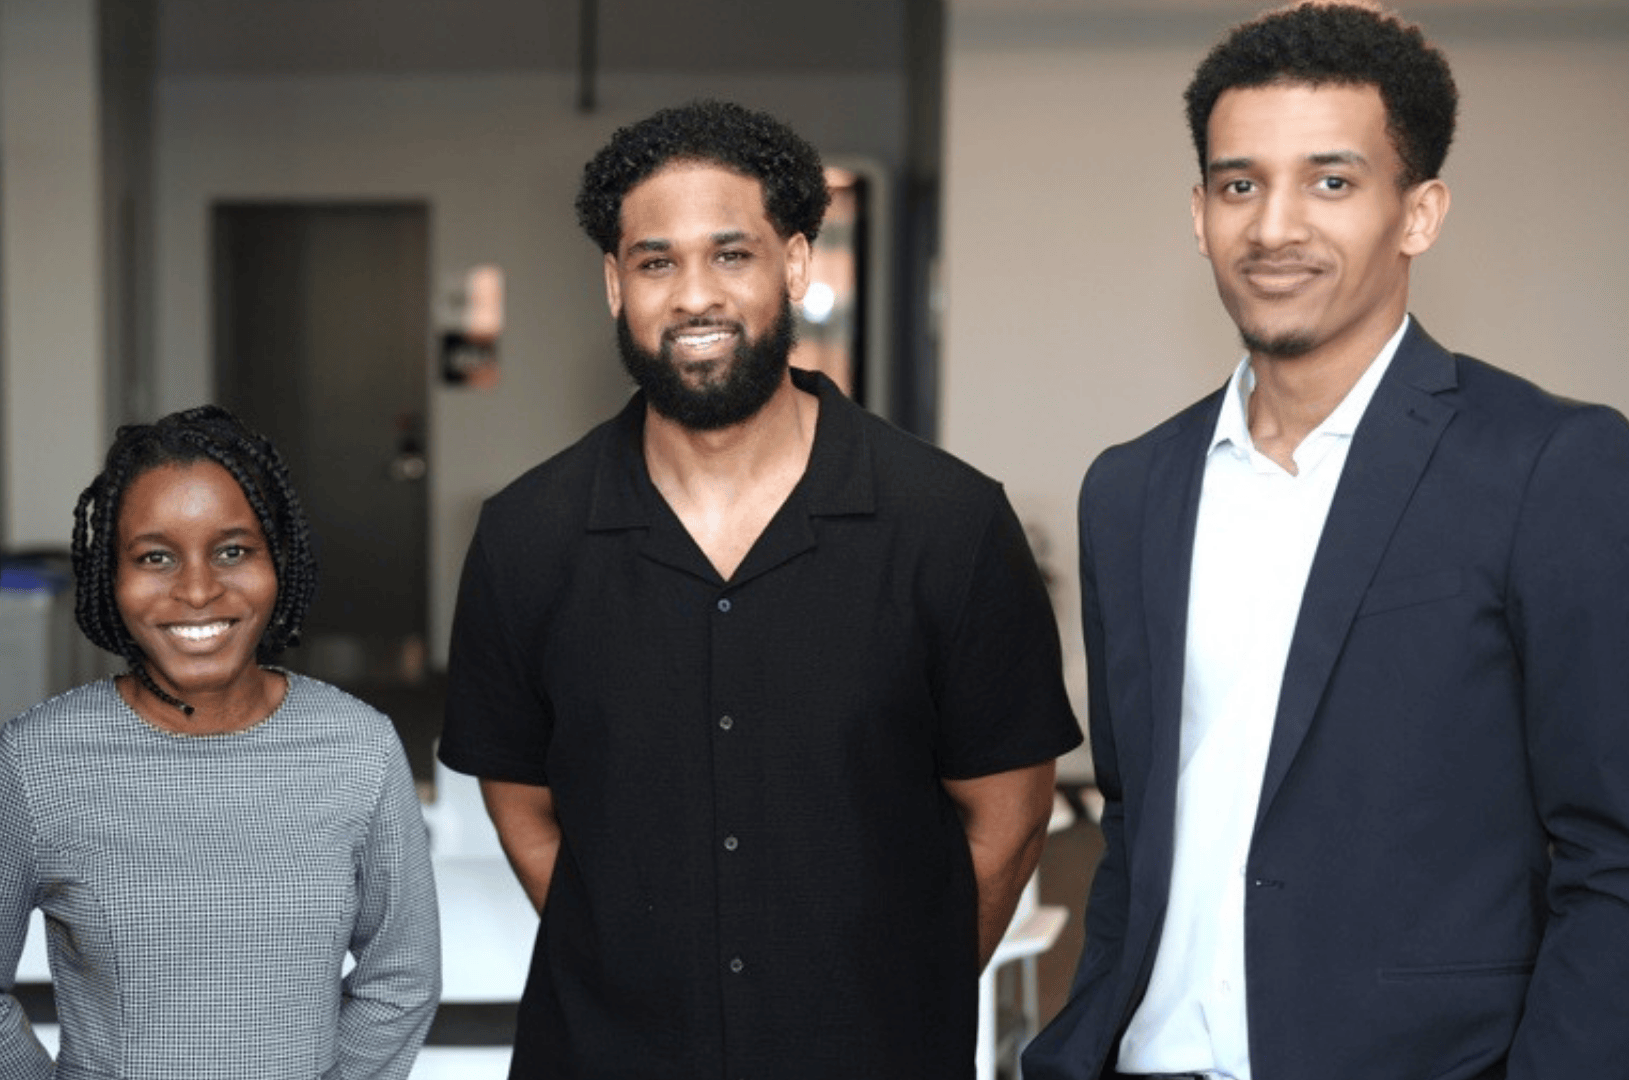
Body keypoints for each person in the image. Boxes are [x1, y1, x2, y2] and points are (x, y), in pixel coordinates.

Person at [1022, 4, 1629, 1078]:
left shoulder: (1549, 466)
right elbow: (1137, 827)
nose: (1274, 227)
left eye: (1332, 181)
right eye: (1239, 183)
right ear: (1198, 213)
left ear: (1420, 213)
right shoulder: (1131, 490)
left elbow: (1611, 854)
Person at [438, 99, 1082, 1077]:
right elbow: (521, 803)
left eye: (730, 255)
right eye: (656, 262)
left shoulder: (946, 524)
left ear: (795, 262)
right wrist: (638, 971)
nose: (694, 295)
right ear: (615, 284)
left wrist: (895, 990)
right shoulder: (529, 536)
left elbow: (1011, 813)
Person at [0, 405, 439, 1080]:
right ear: (113, 575)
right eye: (155, 557)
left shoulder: (359, 749)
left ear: (275, 561)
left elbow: (400, 979)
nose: (197, 590)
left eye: (233, 551)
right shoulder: (36, 764)